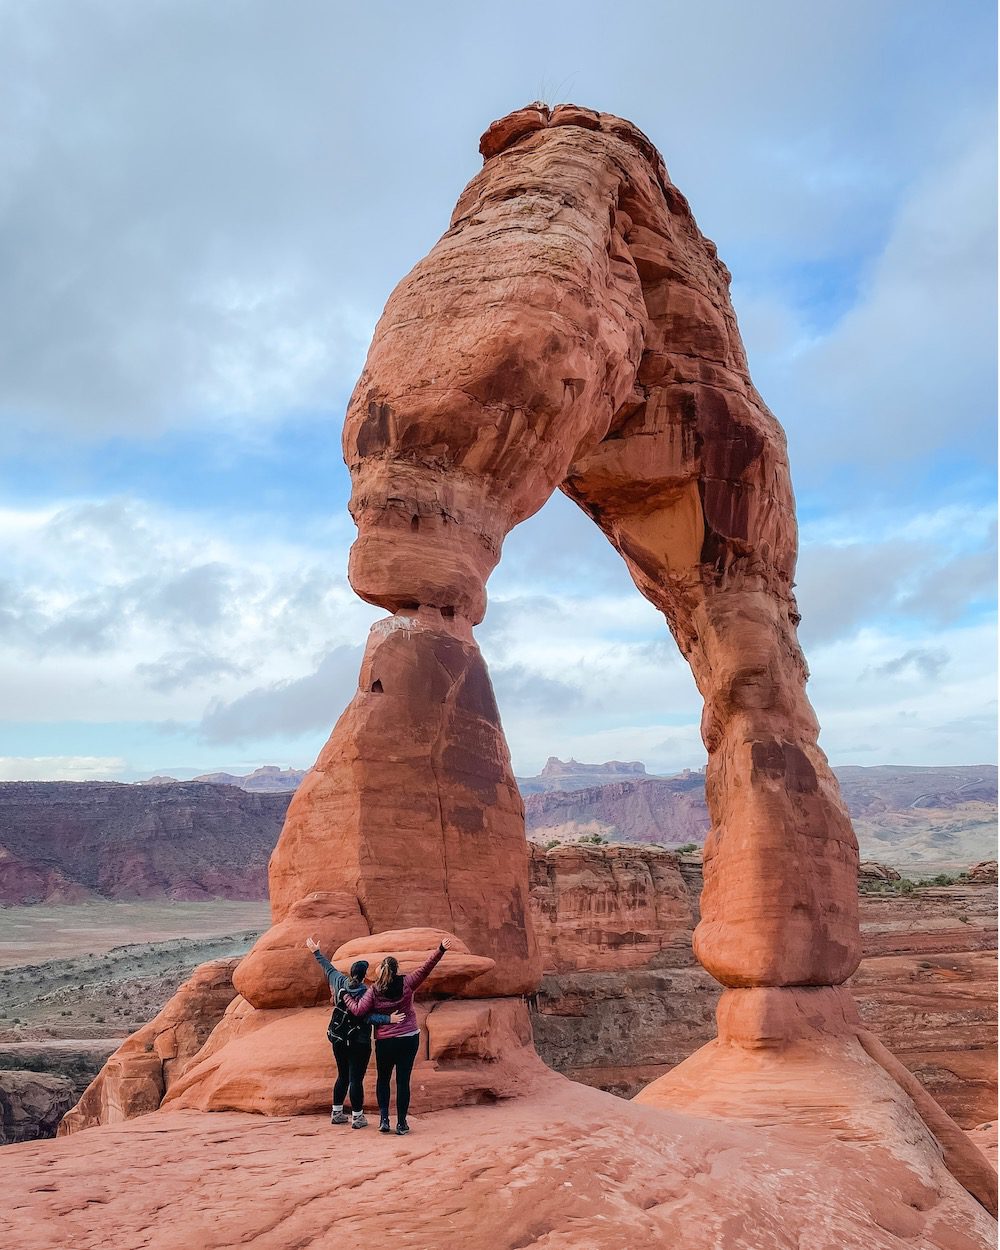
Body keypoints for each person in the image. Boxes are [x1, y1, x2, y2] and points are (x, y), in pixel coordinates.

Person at [343, 937, 453, 1135]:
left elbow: (359, 1011)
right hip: (409, 1038)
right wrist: (440, 949)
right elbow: (426, 968)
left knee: (383, 1080)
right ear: (396, 970)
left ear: (381, 971)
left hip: (386, 1042)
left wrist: (345, 997)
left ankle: (384, 1120)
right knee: (403, 1081)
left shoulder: (374, 991)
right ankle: (401, 1123)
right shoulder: (407, 983)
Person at [305, 936, 403, 1129]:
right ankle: (357, 1118)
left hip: (339, 1038)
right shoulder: (367, 993)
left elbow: (328, 968)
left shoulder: (340, 981)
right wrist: (388, 1019)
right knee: (355, 1078)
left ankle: (337, 1112)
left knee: (342, 1075)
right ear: (364, 975)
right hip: (359, 1041)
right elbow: (368, 1017)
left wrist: (316, 952)